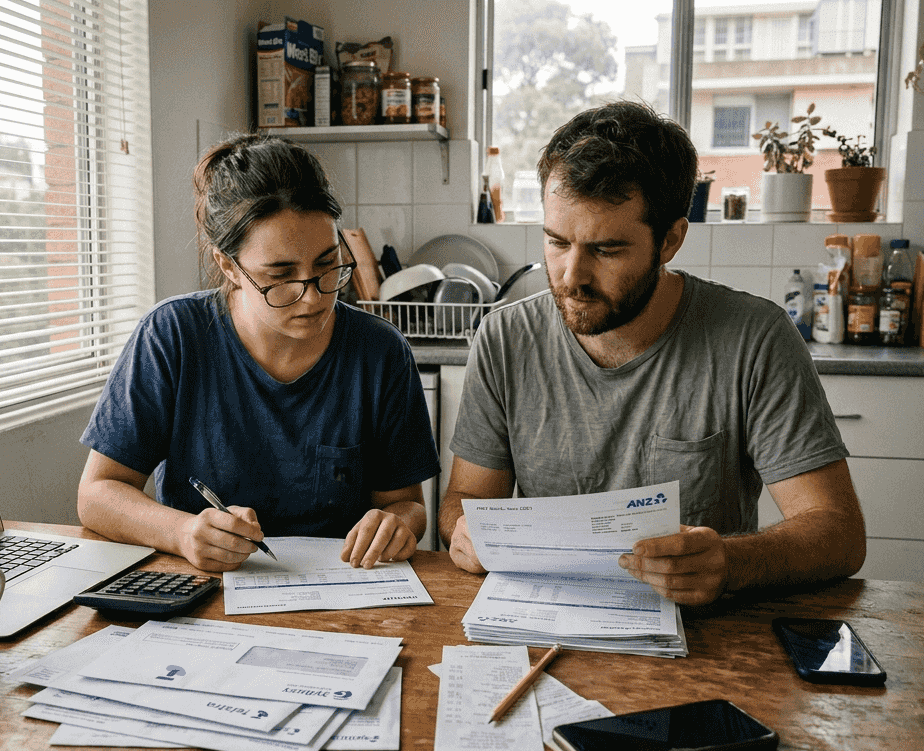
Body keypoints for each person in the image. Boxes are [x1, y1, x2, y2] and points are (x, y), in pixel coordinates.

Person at [438, 101, 866, 606]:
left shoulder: (755, 339)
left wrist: (731, 562)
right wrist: (465, 531)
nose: (571, 277)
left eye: (606, 250)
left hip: (701, 637)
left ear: (671, 240)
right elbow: (465, 500)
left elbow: (838, 533)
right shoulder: (505, 338)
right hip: (544, 622)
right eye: (556, 242)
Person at [78, 133, 439, 572]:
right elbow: (97, 494)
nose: (313, 298)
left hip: (346, 596)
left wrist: (396, 524)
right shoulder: (171, 336)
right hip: (203, 591)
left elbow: (407, 505)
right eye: (281, 275)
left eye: (328, 264)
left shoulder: (379, 352)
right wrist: (182, 532)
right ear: (229, 266)